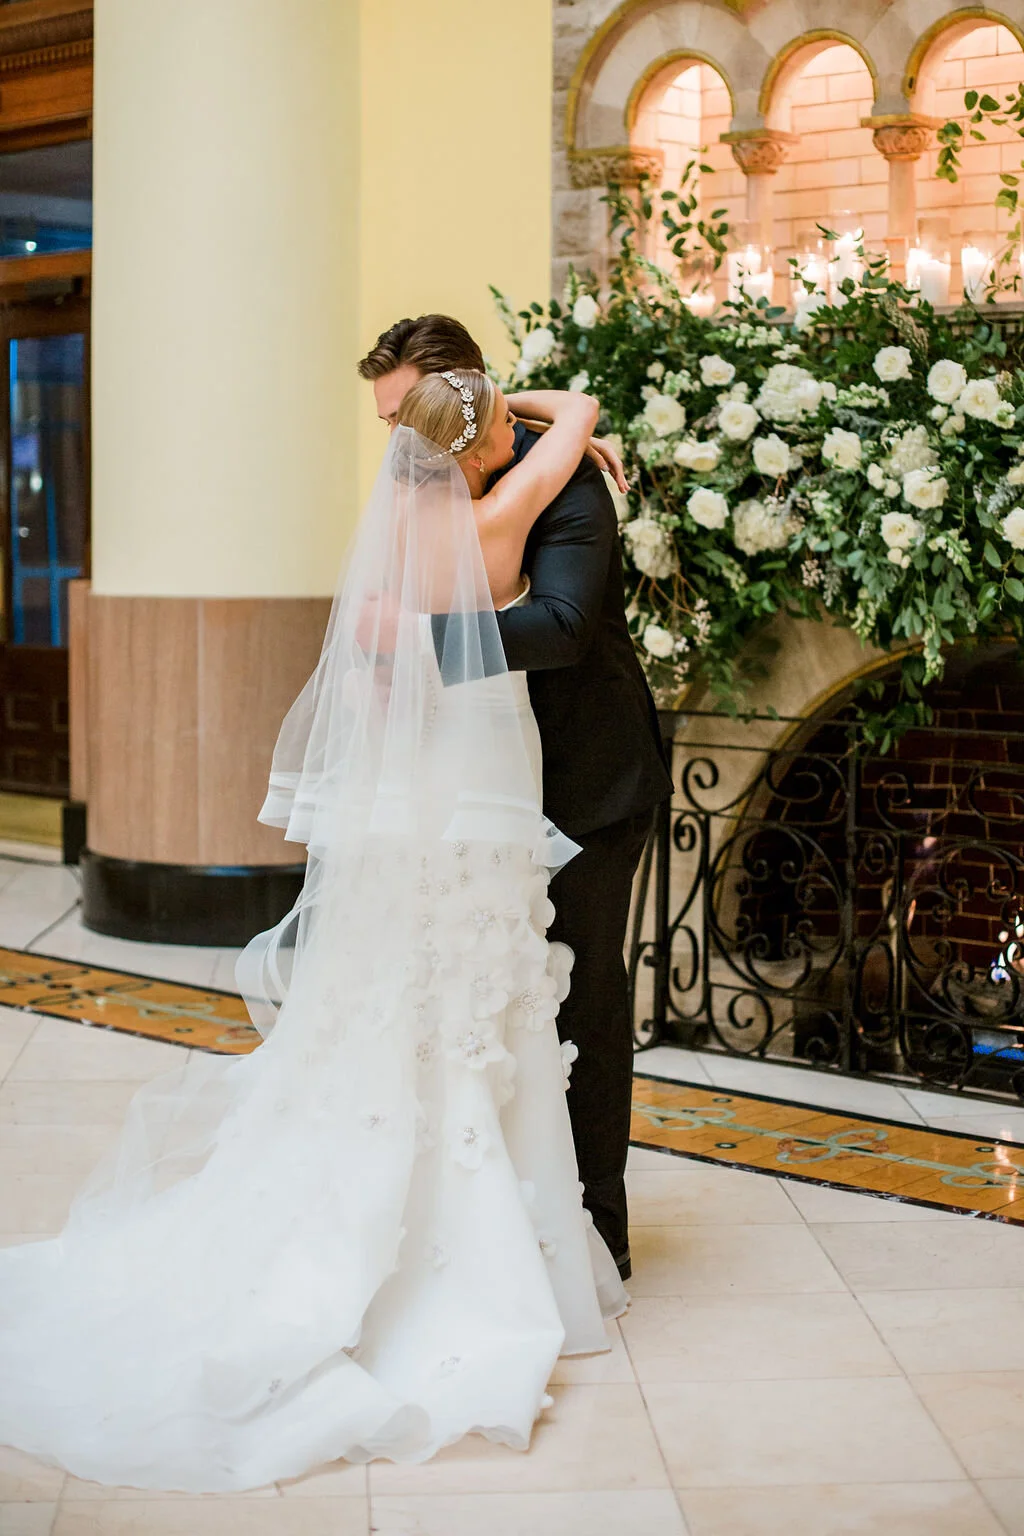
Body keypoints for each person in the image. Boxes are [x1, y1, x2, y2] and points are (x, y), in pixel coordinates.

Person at [0, 370, 627, 1492]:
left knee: (418, 993)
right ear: (480, 444)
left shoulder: (404, 530)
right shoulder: (503, 516)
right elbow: (573, 420)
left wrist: (503, 407)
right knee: (484, 996)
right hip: (481, 788)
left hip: (428, 792)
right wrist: (558, 416)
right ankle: (484, 1242)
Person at [358, 315, 673, 1278]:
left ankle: (595, 1226)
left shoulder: (569, 478)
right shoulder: (422, 475)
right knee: (472, 995)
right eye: (387, 417)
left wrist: (416, 648)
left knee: (582, 992)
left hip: (585, 776)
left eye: (408, 409)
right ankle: (483, 1208)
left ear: (470, 395)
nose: (395, 437)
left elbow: (566, 625)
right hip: (470, 785)